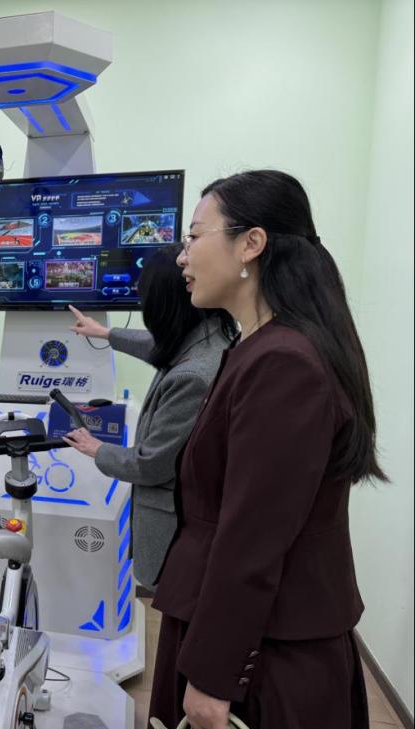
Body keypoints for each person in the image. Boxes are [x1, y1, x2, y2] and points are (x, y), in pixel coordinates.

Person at [149, 170, 383, 729]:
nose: (182, 257)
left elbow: (251, 539)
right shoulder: (260, 348)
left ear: (251, 243)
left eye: (194, 236)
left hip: (260, 656)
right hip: (242, 632)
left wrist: (213, 676)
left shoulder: (283, 363)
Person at [64, 245, 235, 589]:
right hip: (196, 530)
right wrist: (106, 334)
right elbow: (161, 347)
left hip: (175, 532)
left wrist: (96, 448)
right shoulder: (212, 336)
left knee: (176, 602)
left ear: (164, 306)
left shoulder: (193, 377)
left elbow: (151, 465)